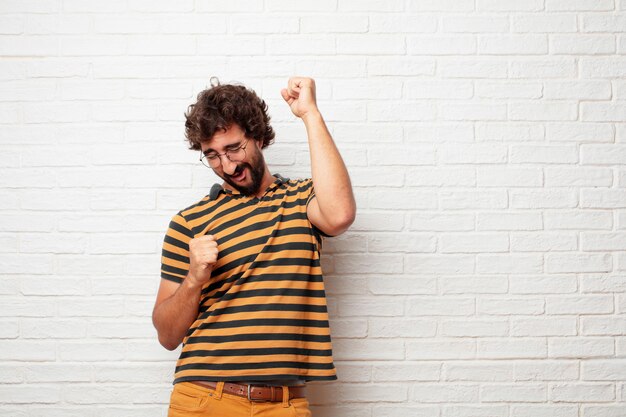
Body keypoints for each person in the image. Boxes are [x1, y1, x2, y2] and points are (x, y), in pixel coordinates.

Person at [152, 76, 356, 417]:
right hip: (203, 399)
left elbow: (339, 215)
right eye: (213, 156)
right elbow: (168, 335)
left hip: (283, 404)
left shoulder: (300, 200)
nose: (227, 166)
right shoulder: (189, 223)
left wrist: (310, 114)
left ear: (258, 136)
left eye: (234, 148)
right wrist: (194, 277)